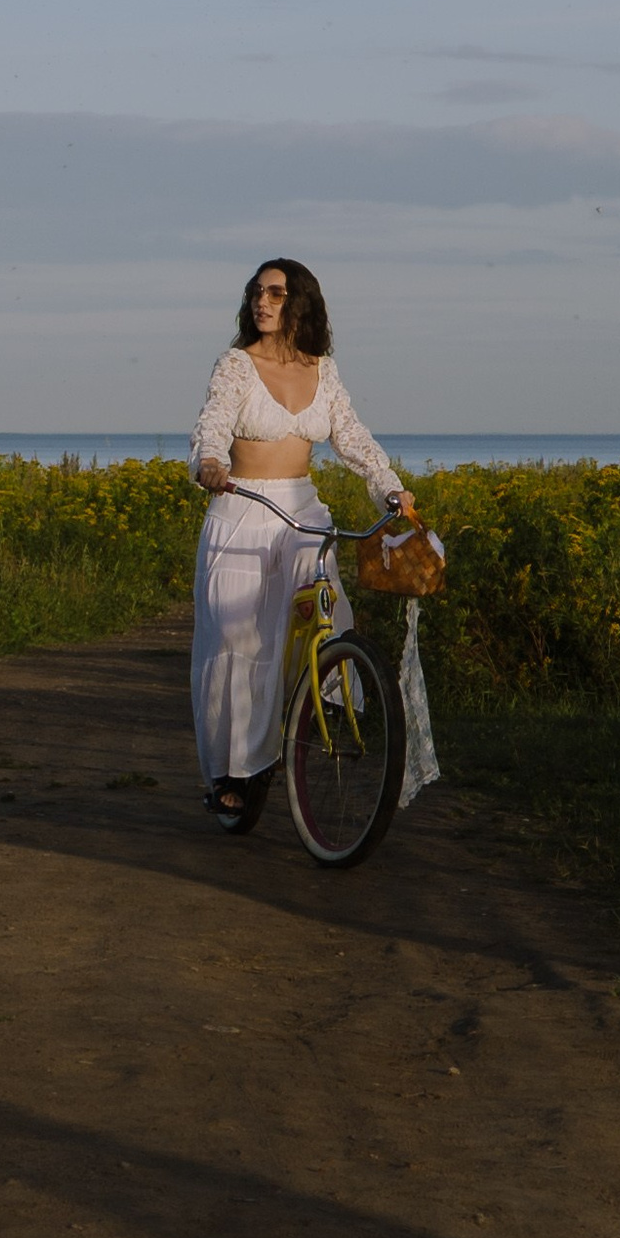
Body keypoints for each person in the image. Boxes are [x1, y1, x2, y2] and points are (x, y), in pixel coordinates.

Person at [188, 257, 423, 832]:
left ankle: (300, 722)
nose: (261, 302)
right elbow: (212, 423)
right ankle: (228, 774)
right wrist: (209, 462)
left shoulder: (324, 370)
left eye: (274, 293)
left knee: (324, 621)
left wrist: (390, 490)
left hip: (302, 512)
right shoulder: (236, 365)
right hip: (242, 512)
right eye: (256, 293)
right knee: (235, 643)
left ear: (301, 304)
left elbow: (353, 437)